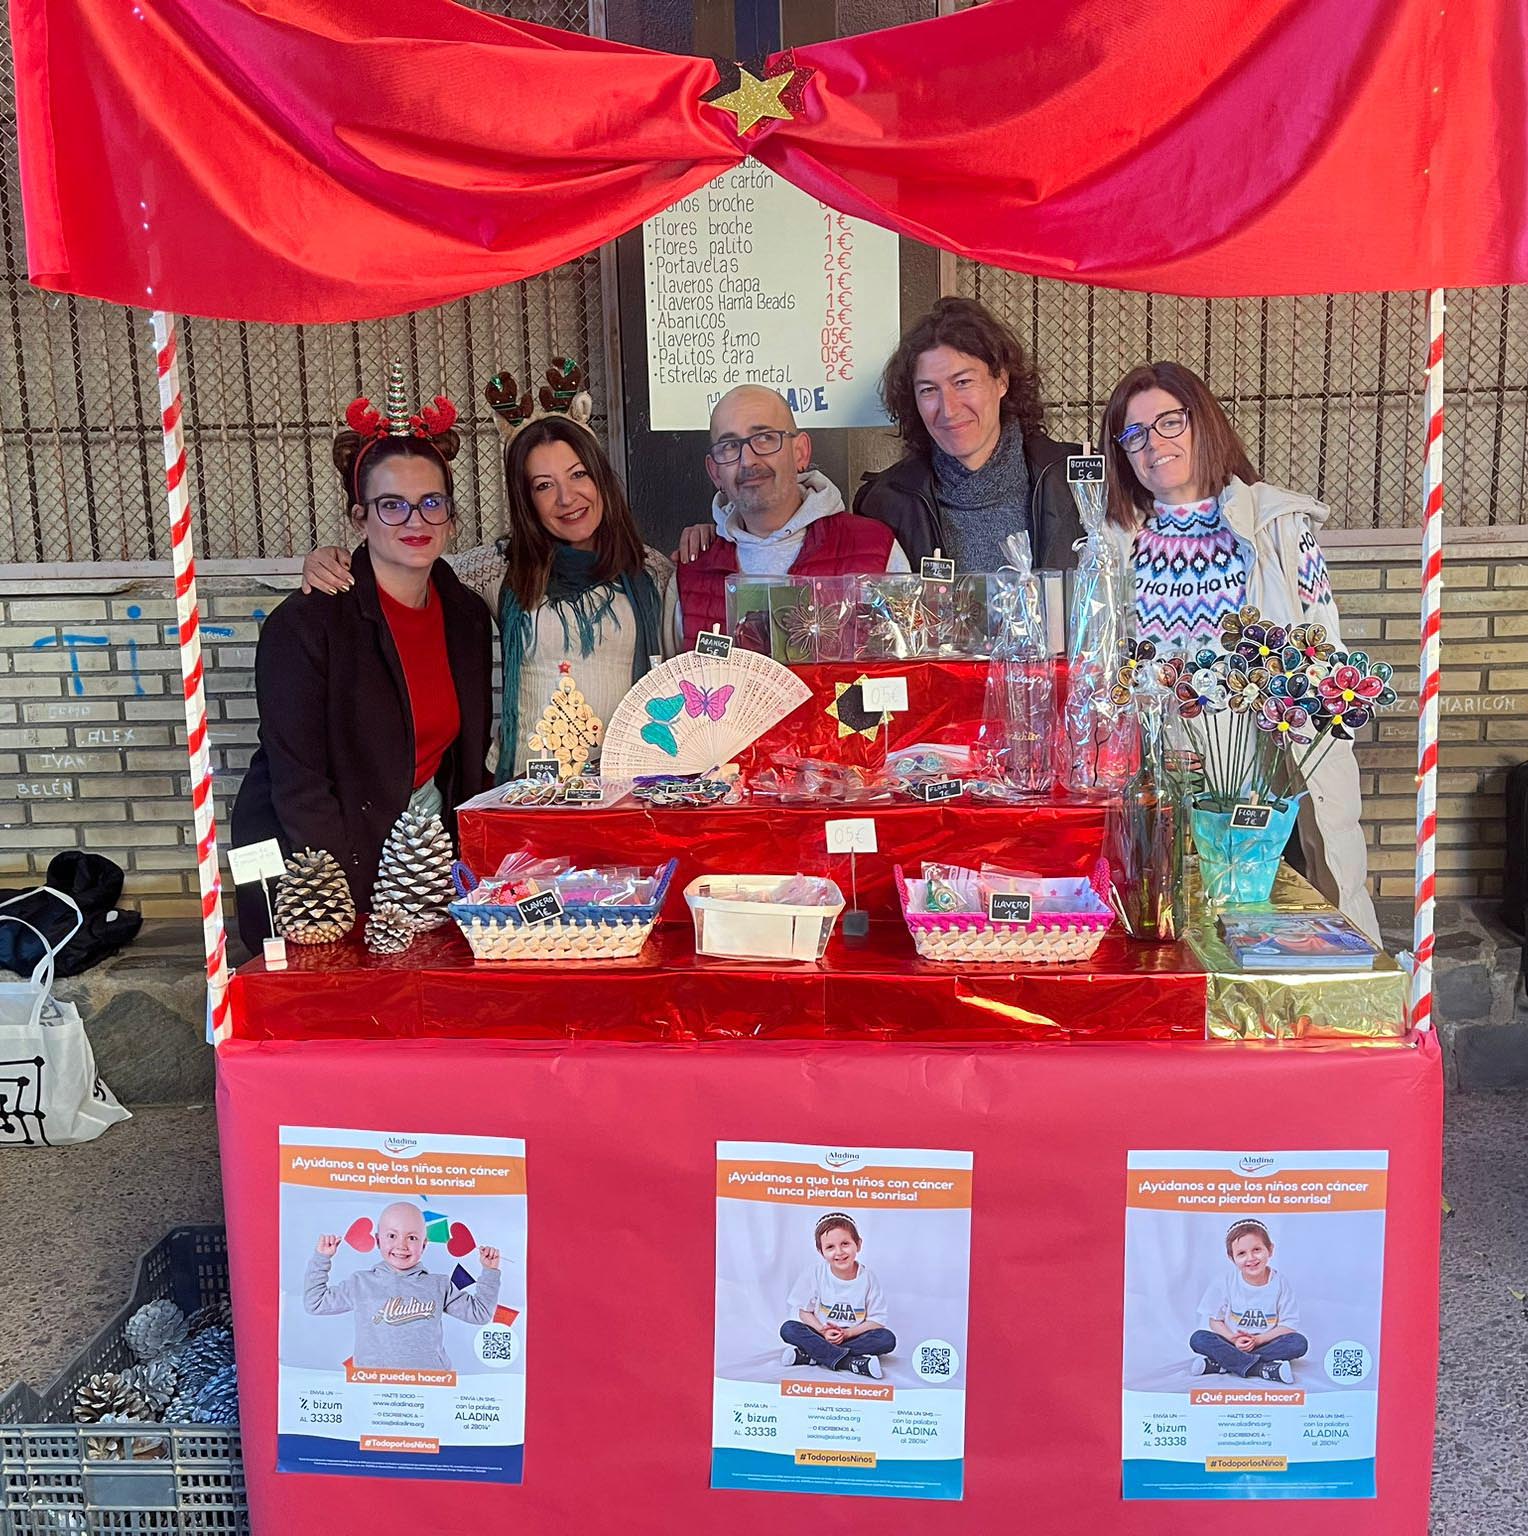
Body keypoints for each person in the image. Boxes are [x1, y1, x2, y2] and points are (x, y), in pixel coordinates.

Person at [1100, 360, 1379, 940]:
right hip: (1162, 784)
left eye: (1170, 422)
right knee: (1168, 934)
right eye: (1134, 434)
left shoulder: (1278, 528)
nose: (1154, 444)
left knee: (1279, 936)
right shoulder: (1113, 545)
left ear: (1203, 422)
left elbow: (1325, 655)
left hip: (1271, 789)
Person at [232, 389, 492, 949]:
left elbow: (462, 762)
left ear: (451, 516)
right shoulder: (307, 625)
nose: (415, 520)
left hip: (417, 855)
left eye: (432, 502)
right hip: (315, 866)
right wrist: (345, 900)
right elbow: (300, 784)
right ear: (360, 517)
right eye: (392, 505)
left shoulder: (466, 617)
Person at [302, 413, 674, 781]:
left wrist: (702, 533)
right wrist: (335, 557)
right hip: (526, 788)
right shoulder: (500, 567)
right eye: (543, 485)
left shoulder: (650, 571)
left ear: (601, 478)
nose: (566, 498)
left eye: (579, 475)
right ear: (526, 499)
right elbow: (410, 566)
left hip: (626, 783)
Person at [671, 385, 909, 650]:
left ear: (800, 452)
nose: (747, 460)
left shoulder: (875, 549)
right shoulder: (691, 572)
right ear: (715, 472)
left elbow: (906, 665)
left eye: (765, 438)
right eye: (729, 446)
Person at [851, 296, 1083, 570]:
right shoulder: (884, 504)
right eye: (928, 390)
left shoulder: (1078, 482)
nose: (948, 409)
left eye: (962, 382)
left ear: (1001, 381)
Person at [304, 1202, 502, 1370]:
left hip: (431, 1384)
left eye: (412, 1238)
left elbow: (480, 1314)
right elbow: (315, 1303)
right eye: (392, 1236)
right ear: (378, 1241)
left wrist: (490, 1271)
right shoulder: (361, 1283)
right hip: (372, 1384)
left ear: (423, 1245)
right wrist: (322, 1259)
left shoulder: (439, 1285)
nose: (401, 1245)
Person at [1189, 1219, 1308, 1384]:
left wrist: (1259, 1340)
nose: (1250, 1258)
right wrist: (1232, 1339)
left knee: (1298, 1343)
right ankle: (1261, 1368)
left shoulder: (1280, 1283)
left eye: (1257, 1250)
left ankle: (1223, 1363)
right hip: (1232, 1342)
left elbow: (1288, 1325)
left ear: (1270, 1249)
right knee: (1199, 1338)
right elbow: (1214, 1320)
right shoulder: (1225, 1281)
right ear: (1231, 1257)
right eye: (1241, 1253)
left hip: (1266, 1342)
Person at [779, 1212, 896, 1380]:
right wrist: (822, 1330)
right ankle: (850, 1362)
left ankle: (812, 1355)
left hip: (853, 1336)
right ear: (821, 1251)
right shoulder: (815, 1273)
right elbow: (803, 1311)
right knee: (789, 1329)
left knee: (886, 1339)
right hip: (821, 1333)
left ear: (858, 1244)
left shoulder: (868, 1278)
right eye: (830, 1247)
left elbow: (876, 1320)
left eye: (845, 1244)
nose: (839, 1252)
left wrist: (848, 1333)